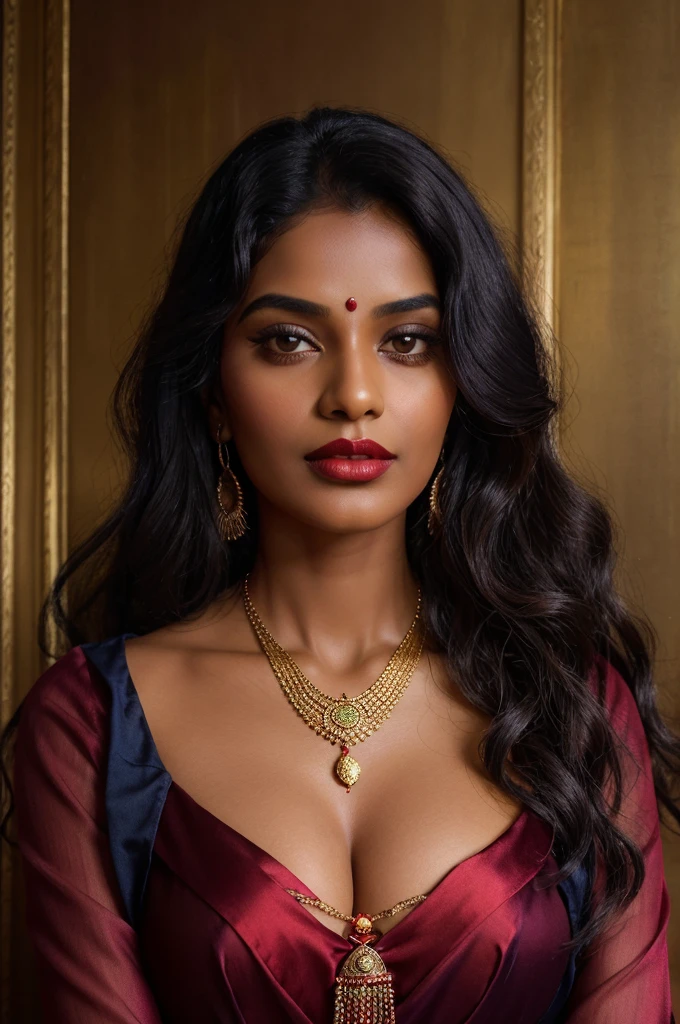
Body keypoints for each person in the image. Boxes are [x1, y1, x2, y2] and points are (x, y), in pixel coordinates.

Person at [1, 106, 677, 1024]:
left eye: (407, 342)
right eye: (289, 339)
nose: (354, 393)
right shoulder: (89, 729)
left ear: (463, 381)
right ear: (211, 394)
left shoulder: (573, 710)